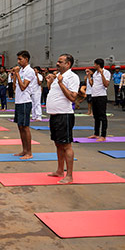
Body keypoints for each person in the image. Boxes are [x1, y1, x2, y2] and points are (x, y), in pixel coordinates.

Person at [46, 54, 79, 183]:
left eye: (60, 62)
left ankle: (69, 175)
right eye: (57, 61)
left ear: (68, 64)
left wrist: (60, 83)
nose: (57, 64)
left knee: (66, 145)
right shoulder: (58, 77)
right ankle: (60, 170)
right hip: (54, 115)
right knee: (58, 144)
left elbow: (72, 97)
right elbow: (54, 93)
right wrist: (51, 82)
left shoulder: (72, 77)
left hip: (64, 115)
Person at [12, 50, 37, 159]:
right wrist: (15, 75)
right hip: (18, 101)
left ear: (26, 59)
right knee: (20, 126)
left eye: (20, 59)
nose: (18, 62)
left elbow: (23, 87)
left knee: (25, 127)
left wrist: (17, 74)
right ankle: (24, 150)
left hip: (25, 101)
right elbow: (15, 87)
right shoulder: (21, 71)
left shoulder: (29, 71)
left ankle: (29, 152)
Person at [85, 58, 111, 141]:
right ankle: (96, 133)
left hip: (101, 96)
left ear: (98, 65)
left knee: (102, 116)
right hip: (94, 95)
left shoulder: (106, 72)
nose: (93, 66)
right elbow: (92, 84)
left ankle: (103, 135)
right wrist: (89, 77)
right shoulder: (95, 73)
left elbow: (106, 84)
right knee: (96, 116)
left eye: (95, 64)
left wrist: (102, 74)